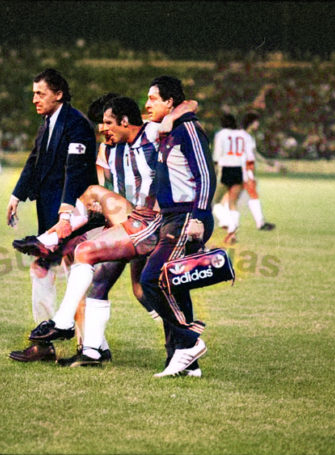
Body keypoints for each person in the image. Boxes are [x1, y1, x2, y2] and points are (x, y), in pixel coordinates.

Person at [17, 96, 199, 370]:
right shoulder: (108, 151)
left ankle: (63, 315)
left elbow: (190, 103)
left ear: (124, 121)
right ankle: (92, 351)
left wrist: (172, 117)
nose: (103, 129)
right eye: (100, 123)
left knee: (89, 240)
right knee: (118, 286)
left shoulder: (150, 133)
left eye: (107, 123)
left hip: (147, 221)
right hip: (126, 223)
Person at [7, 68, 97, 363]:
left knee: (74, 275)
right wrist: (16, 195)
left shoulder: (76, 124)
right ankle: (50, 342)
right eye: (34, 93)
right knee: (46, 271)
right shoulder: (48, 122)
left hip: (71, 214)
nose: (34, 99)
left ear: (58, 94)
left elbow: (74, 171)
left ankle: (90, 345)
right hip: (51, 212)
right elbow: (35, 160)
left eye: (40, 93)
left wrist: (66, 212)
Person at [140, 75, 216, 377]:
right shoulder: (165, 130)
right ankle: (187, 365)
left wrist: (199, 216)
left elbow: (206, 175)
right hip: (171, 216)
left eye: (153, 98)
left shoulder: (187, 130)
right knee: (177, 285)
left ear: (169, 102)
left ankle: (190, 341)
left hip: (187, 216)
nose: (147, 104)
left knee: (151, 279)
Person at [212, 111, 275, 242]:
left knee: (215, 202)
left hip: (227, 169)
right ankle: (233, 231)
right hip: (240, 169)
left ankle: (227, 223)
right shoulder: (243, 135)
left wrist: (214, 171)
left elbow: (217, 155)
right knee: (233, 202)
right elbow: (249, 153)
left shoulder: (222, 134)